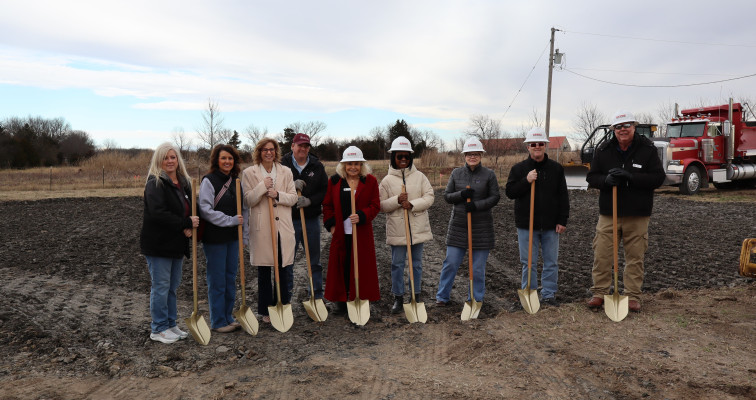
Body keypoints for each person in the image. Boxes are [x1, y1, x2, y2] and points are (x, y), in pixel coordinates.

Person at [585, 111, 665, 312]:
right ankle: (600, 293)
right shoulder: (603, 149)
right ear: (613, 130)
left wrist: (631, 177)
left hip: (637, 213)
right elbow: (591, 177)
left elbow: (658, 178)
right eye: (618, 127)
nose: (623, 130)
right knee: (602, 254)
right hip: (609, 213)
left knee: (635, 257)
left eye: (627, 126)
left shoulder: (647, 149)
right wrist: (605, 180)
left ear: (634, 127)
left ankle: (632, 296)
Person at [140, 142, 199, 344]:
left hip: (175, 244)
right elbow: (158, 213)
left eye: (173, 157)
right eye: (165, 158)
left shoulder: (183, 183)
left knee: (172, 287)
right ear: (159, 161)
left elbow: (191, 209)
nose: (170, 161)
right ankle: (158, 328)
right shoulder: (155, 183)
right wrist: (185, 223)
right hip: (159, 244)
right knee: (161, 287)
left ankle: (171, 324)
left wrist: (190, 225)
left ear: (178, 160)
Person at [505, 127, 569, 307]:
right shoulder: (518, 169)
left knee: (551, 262)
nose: (537, 146)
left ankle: (548, 294)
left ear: (545, 145)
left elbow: (563, 196)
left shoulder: (556, 169)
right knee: (528, 263)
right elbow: (510, 192)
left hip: (550, 225)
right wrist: (526, 181)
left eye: (540, 143)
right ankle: (530, 292)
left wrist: (562, 220)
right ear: (528, 147)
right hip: (527, 225)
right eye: (533, 144)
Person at [436, 138, 500, 307]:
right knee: (450, 263)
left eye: (476, 154)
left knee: (477, 268)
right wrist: (461, 195)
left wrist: (476, 205)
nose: (473, 157)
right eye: (469, 154)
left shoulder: (489, 174)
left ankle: (475, 298)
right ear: (464, 155)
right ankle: (442, 297)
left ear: (481, 155)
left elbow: (495, 197)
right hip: (458, 226)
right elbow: (447, 196)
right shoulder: (456, 174)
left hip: (482, 228)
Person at [242, 138, 297, 323]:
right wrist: (262, 187)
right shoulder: (249, 173)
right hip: (262, 228)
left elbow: (293, 198)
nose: (268, 152)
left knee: (283, 267)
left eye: (272, 149)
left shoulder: (286, 171)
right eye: (265, 150)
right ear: (259, 152)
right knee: (264, 269)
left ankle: (282, 303)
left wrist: (277, 195)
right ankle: (265, 309)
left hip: (282, 227)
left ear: (276, 152)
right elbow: (247, 200)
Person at [378, 136, 435, 313]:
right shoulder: (386, 181)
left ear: (410, 157)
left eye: (406, 156)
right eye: (399, 156)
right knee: (397, 264)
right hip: (397, 230)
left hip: (417, 229)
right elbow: (381, 205)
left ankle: (415, 296)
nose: (403, 159)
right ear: (393, 157)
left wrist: (412, 204)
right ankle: (398, 297)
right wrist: (397, 200)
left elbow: (429, 197)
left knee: (416, 264)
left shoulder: (420, 177)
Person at [322, 146, 381, 315]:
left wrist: (362, 215)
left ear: (362, 165)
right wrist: (332, 225)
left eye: (356, 164)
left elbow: (375, 205)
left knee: (361, 266)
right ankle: (341, 301)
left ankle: (361, 298)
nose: (353, 167)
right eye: (349, 164)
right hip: (341, 233)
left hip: (361, 233)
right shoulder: (335, 181)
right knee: (342, 266)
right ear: (343, 165)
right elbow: (327, 205)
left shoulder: (370, 181)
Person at [199, 144, 249, 333]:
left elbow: (244, 210)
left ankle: (228, 317)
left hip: (233, 238)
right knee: (217, 281)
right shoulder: (209, 181)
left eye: (230, 158)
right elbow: (205, 210)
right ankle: (218, 321)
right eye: (223, 158)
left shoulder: (236, 181)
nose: (227, 161)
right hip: (215, 239)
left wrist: (244, 235)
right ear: (216, 160)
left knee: (230, 279)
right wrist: (230, 220)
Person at [280, 133, 328, 301]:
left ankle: (316, 295)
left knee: (314, 260)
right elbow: (275, 188)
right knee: (287, 260)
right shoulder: (282, 165)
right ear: (292, 146)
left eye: (306, 146)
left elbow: (324, 190)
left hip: (311, 220)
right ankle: (285, 296)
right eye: (300, 145)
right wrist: (290, 186)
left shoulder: (317, 166)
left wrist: (310, 201)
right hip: (289, 219)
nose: (303, 149)